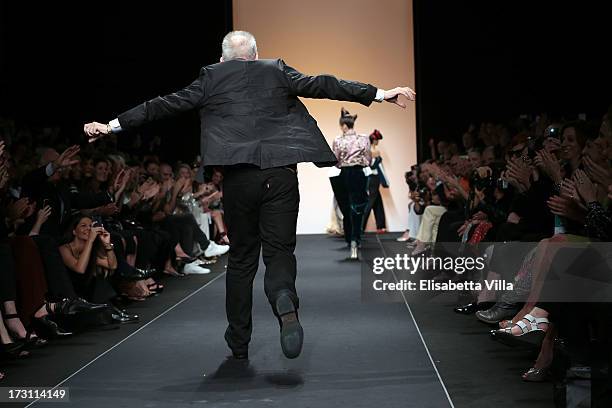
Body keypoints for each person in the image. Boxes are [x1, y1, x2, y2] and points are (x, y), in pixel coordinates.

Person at [83, 30, 415, 360]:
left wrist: (111, 126)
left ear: (222, 58)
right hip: (281, 175)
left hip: (239, 179)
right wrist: (382, 94)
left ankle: (239, 341)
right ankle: (283, 296)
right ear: (255, 55)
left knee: (241, 260)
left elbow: (163, 105)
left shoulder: (211, 78)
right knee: (280, 252)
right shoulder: (277, 69)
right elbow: (324, 84)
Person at [332, 108, 371, 259]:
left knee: (346, 206)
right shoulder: (363, 138)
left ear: (343, 125)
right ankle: (356, 238)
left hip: (344, 174)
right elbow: (368, 160)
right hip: (359, 173)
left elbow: (336, 162)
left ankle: (350, 240)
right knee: (358, 206)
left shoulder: (338, 140)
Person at [363, 129, 388, 233]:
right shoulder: (372, 151)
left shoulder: (371, 151)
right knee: (370, 202)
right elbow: (371, 165)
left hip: (375, 177)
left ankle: (380, 226)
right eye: (377, 140)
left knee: (377, 202)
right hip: (372, 178)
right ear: (374, 140)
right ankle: (361, 226)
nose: (378, 142)